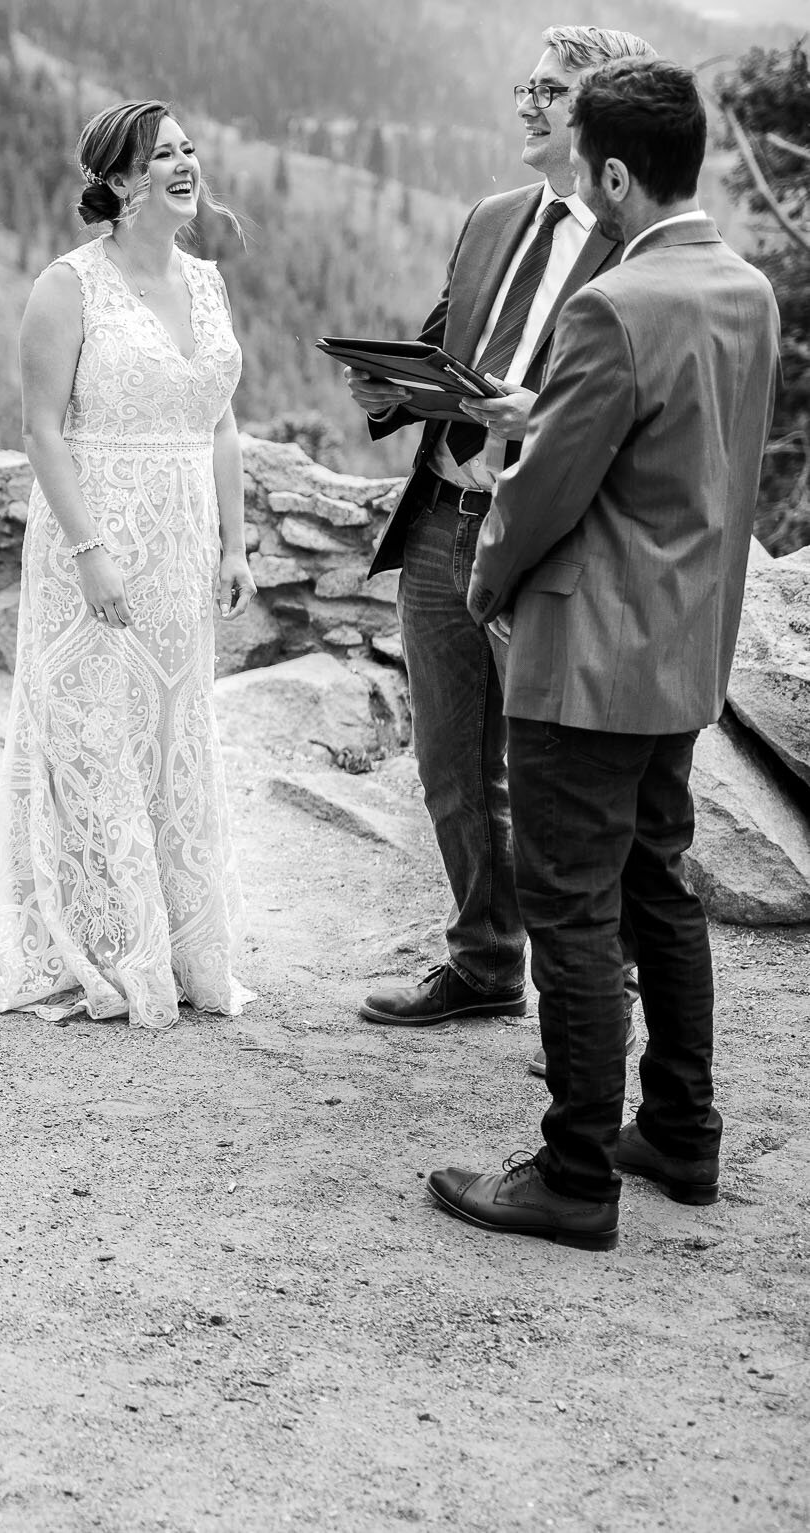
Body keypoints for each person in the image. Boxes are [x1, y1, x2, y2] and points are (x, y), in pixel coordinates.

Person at [430, 58, 781, 1250]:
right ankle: (680, 1131)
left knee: (568, 907)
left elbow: (540, 497)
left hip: (585, 655)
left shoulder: (612, 307)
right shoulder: (741, 289)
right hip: (684, 651)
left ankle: (573, 1173)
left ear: (617, 174)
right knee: (655, 887)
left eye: (585, 163)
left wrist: (485, 576)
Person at [0, 100, 256, 1026]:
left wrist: (235, 540)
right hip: (94, 537)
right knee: (95, 732)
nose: (184, 163)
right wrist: (92, 553)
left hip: (183, 543)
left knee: (169, 733)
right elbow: (41, 433)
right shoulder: (69, 286)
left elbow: (218, 421)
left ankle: (175, 943)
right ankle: (104, 941)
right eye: (159, 155)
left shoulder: (208, 283)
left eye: (187, 147)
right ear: (122, 182)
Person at [346, 25, 654, 1037]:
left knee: (555, 783)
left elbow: (645, 414)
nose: (525, 104)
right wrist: (389, 384)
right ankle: (480, 960)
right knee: (448, 764)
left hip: (548, 544)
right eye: (524, 85)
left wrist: (544, 418)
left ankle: (591, 1007)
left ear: (602, 114)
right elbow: (449, 342)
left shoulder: (641, 246)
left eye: (550, 90)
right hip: (442, 519)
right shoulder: (488, 217)